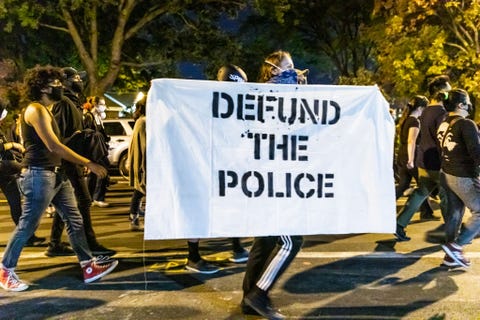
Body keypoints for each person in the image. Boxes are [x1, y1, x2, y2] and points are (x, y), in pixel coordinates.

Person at [0, 65, 118, 292]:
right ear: (43, 87)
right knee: (27, 225)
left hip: (56, 175)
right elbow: (54, 145)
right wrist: (88, 163)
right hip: (39, 175)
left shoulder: (48, 109)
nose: (60, 87)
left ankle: (88, 266)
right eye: (55, 83)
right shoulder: (35, 110)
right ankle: (6, 269)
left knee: (74, 219)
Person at [241, 51, 304, 320]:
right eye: (289, 68)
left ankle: (249, 299)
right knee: (293, 240)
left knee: (265, 241)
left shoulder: (268, 94)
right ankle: (259, 294)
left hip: (264, 180)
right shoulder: (270, 95)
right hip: (274, 180)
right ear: (274, 70)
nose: (295, 71)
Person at [46, 68, 115, 257]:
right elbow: (57, 137)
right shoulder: (64, 103)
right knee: (83, 200)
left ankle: (54, 244)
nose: (79, 80)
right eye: (75, 77)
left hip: (72, 160)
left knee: (65, 203)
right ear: (65, 82)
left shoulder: (73, 103)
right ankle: (89, 244)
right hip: (67, 162)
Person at [395, 75, 452, 241]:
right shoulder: (442, 114)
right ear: (441, 94)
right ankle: (452, 233)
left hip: (423, 162)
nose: (450, 95)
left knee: (420, 193)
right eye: (448, 92)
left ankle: (399, 224)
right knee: (447, 197)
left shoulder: (424, 111)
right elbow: (443, 139)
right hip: (438, 162)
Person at [436, 89, 480, 268]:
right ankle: (455, 247)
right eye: (467, 102)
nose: (470, 105)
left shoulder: (445, 122)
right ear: (461, 105)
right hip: (462, 175)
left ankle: (450, 257)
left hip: (446, 173)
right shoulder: (466, 124)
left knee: (454, 215)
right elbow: (477, 153)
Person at [0, 103, 44, 246]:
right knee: (16, 203)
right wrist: (13, 145)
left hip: (5, 172)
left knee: (16, 204)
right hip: (5, 169)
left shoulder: (2, 128)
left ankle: (27, 237)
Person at [393, 95, 436, 241]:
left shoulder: (405, 120)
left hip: (402, 155)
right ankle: (426, 212)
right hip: (411, 156)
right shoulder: (415, 121)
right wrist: (411, 160)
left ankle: (425, 211)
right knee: (424, 185)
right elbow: (412, 141)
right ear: (420, 108)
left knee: (405, 185)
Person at [83, 96, 111, 208]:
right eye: (102, 104)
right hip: (94, 150)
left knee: (94, 175)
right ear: (95, 104)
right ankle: (97, 197)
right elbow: (87, 134)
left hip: (100, 149)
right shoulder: (89, 117)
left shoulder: (98, 117)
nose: (104, 107)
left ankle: (91, 197)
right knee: (102, 171)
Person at [128, 94, 147, 231]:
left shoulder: (141, 120)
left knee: (139, 190)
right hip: (144, 163)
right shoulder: (145, 121)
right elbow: (146, 145)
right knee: (141, 189)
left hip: (141, 162)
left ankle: (134, 217)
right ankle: (133, 218)